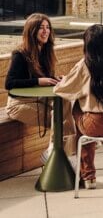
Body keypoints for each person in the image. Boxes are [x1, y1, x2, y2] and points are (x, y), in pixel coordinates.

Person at [54, 24, 103, 189]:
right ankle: (85, 171)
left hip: (98, 125)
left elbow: (62, 89)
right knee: (86, 119)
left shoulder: (86, 64)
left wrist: (63, 80)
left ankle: (88, 175)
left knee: (77, 107)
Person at [4, 13, 76, 162]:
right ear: (32, 31)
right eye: (41, 28)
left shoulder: (45, 52)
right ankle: (61, 155)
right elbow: (9, 84)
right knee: (62, 119)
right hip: (19, 104)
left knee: (66, 103)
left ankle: (55, 152)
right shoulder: (20, 54)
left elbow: (45, 78)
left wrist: (56, 79)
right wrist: (38, 81)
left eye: (47, 27)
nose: (45, 31)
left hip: (39, 100)